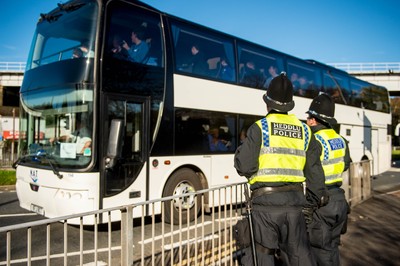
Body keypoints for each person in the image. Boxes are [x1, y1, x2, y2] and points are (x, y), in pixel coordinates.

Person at [234, 72, 327, 265]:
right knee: (298, 258)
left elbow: (245, 166)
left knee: (262, 256)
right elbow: (315, 172)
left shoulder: (260, 128)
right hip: (295, 205)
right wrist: (310, 204)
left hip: (264, 207)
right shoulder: (304, 130)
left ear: (267, 102)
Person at [305, 93, 351, 266]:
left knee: (321, 252)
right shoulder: (340, 139)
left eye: (309, 116)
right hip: (339, 200)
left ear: (314, 120)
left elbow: (309, 169)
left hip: (321, 201)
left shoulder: (314, 140)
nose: (307, 120)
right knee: (332, 248)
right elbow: (345, 164)